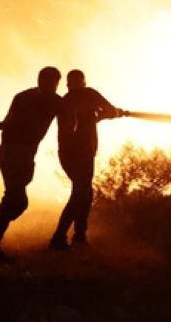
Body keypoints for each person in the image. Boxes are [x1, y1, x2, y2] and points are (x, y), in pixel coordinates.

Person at [0, 67, 64, 260]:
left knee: (18, 202)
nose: (49, 85)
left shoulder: (26, 96)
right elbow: (69, 122)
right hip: (16, 152)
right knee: (14, 199)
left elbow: (7, 121)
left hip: (12, 152)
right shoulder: (53, 101)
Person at [51, 69, 125, 249]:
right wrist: (107, 114)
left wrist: (99, 115)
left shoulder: (64, 101)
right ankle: (60, 238)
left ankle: (79, 236)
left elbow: (99, 114)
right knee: (81, 193)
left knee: (84, 192)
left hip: (69, 154)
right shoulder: (88, 94)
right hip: (81, 153)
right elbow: (110, 110)